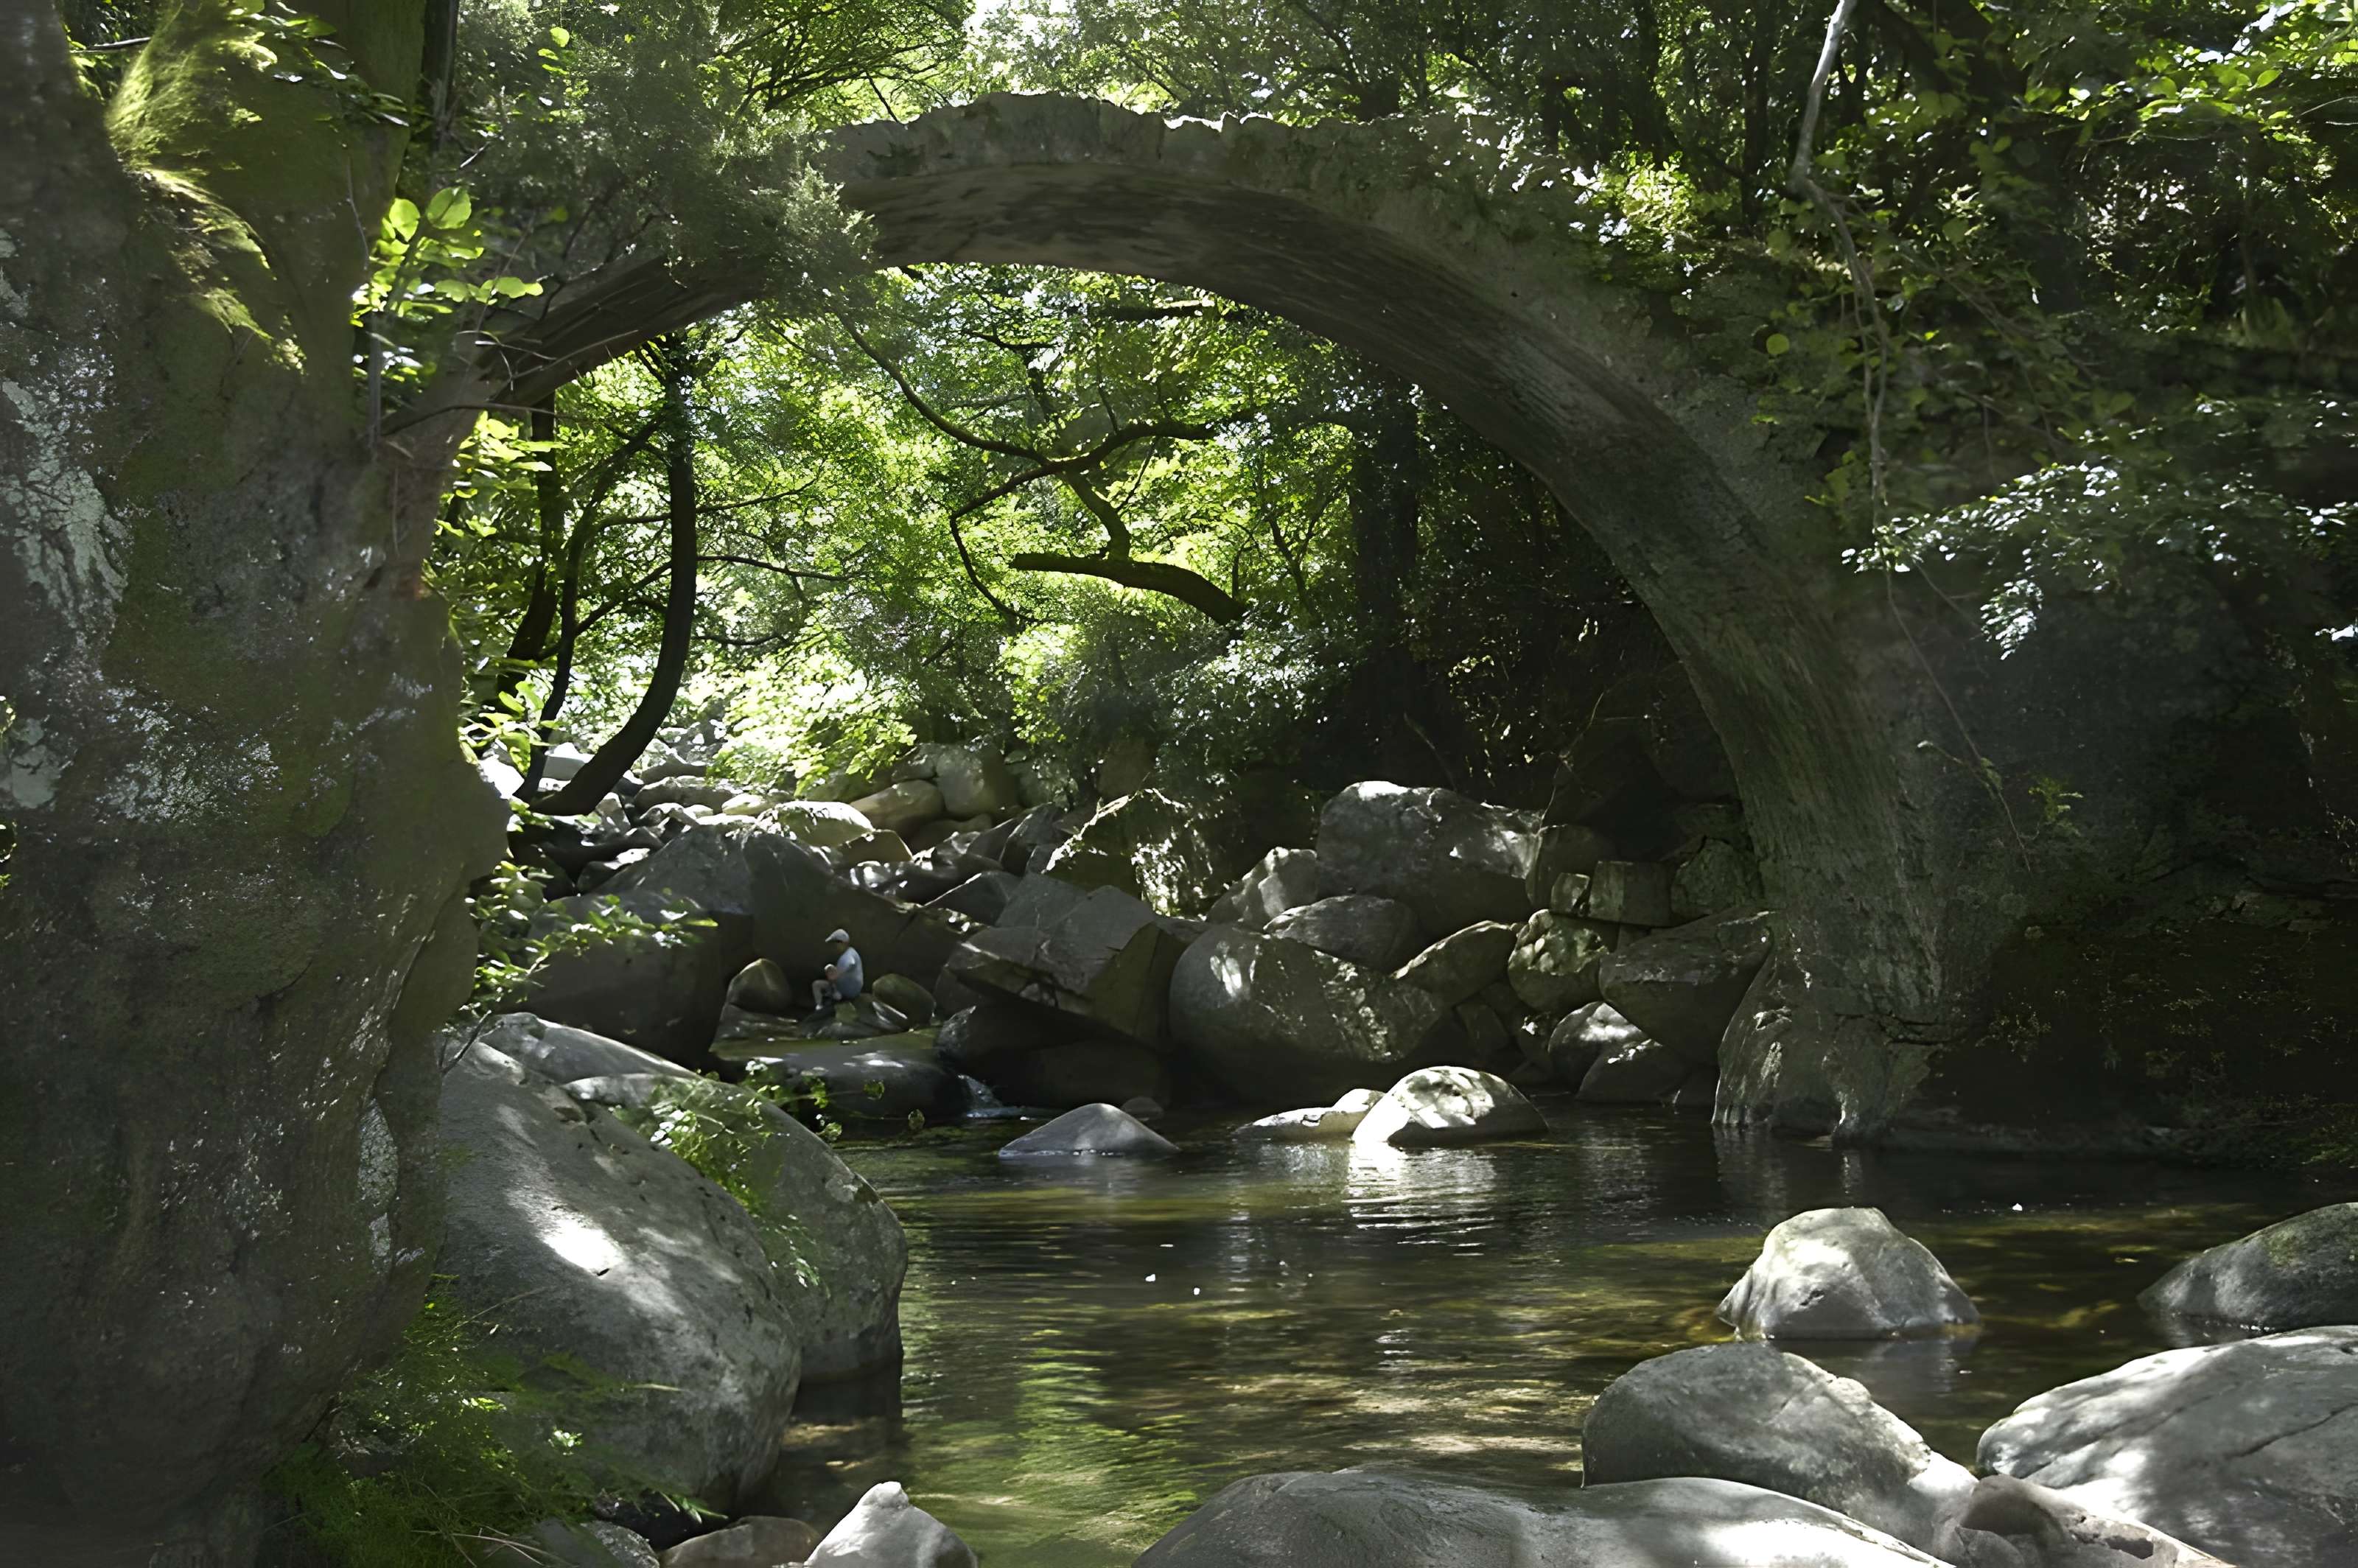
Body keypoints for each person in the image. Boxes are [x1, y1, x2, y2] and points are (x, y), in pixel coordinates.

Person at [811, 928, 864, 1014]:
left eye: (836, 943)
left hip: (847, 991)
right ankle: (829, 999)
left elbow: (847, 966)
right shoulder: (851, 952)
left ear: (843, 943)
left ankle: (820, 1008)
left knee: (816, 985)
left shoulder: (848, 957)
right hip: (848, 988)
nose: (835, 946)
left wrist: (830, 972)